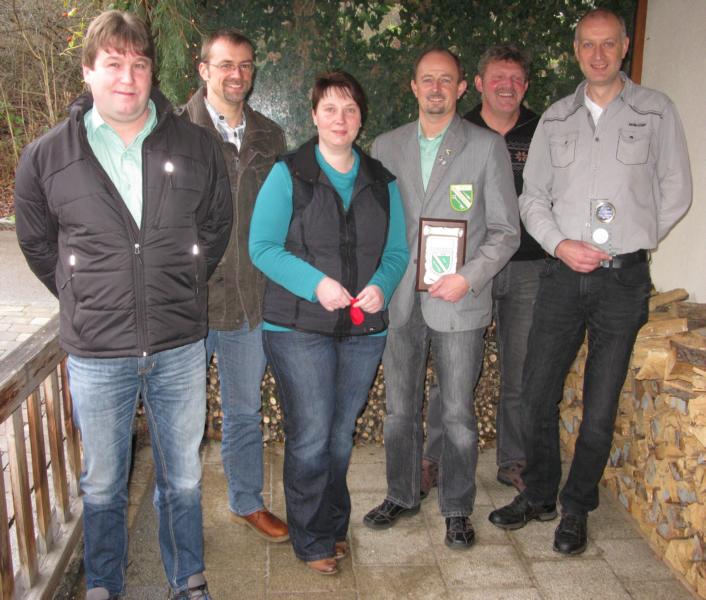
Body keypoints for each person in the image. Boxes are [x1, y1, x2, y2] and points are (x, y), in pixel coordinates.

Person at [14, 10, 232, 600]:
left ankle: (187, 578)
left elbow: (215, 226)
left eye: (138, 64)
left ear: (152, 71)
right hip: (97, 352)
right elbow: (36, 242)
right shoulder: (47, 156)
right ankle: (104, 584)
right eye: (113, 64)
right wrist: (81, 293)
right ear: (88, 71)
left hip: (178, 345)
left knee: (182, 478)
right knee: (104, 482)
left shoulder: (196, 146)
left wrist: (182, 283)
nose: (127, 78)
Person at [489, 8, 692, 555]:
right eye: (587, 44)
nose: (597, 54)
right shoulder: (556, 118)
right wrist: (559, 243)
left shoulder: (656, 111)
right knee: (535, 393)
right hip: (560, 276)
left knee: (601, 407)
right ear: (576, 49)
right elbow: (532, 197)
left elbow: (676, 189)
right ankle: (539, 494)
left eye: (608, 44)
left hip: (623, 281)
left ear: (624, 47)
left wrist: (631, 238)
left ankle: (576, 508)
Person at [249, 71, 408, 575]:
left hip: (363, 331)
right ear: (314, 115)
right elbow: (261, 247)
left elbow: (397, 252)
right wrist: (315, 284)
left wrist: (382, 284)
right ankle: (312, 537)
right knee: (313, 434)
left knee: (340, 437)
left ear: (361, 119)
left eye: (350, 109)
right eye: (330, 109)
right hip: (297, 330)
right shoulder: (287, 174)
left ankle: (334, 524)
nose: (341, 118)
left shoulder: (382, 182)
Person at [363, 48, 519, 548]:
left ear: (461, 88)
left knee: (456, 414)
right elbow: (374, 225)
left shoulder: (486, 146)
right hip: (400, 298)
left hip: (458, 300)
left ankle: (456, 507)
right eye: (427, 79)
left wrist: (468, 278)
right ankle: (401, 493)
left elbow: (506, 232)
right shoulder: (385, 147)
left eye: (445, 80)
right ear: (413, 86)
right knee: (399, 410)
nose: (435, 88)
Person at [178, 29, 289, 542]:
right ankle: (176, 510)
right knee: (181, 417)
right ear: (204, 70)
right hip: (189, 302)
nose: (236, 75)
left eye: (244, 65)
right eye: (225, 65)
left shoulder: (270, 136)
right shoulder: (174, 131)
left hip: (249, 299)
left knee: (245, 410)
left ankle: (246, 501)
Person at [421, 44, 543, 495]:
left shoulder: (542, 131)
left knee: (520, 369)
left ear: (525, 86)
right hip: (467, 268)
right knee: (452, 372)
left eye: (515, 79)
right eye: (497, 78)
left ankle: (514, 460)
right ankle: (433, 459)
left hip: (528, 267)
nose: (506, 87)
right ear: (476, 84)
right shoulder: (460, 130)